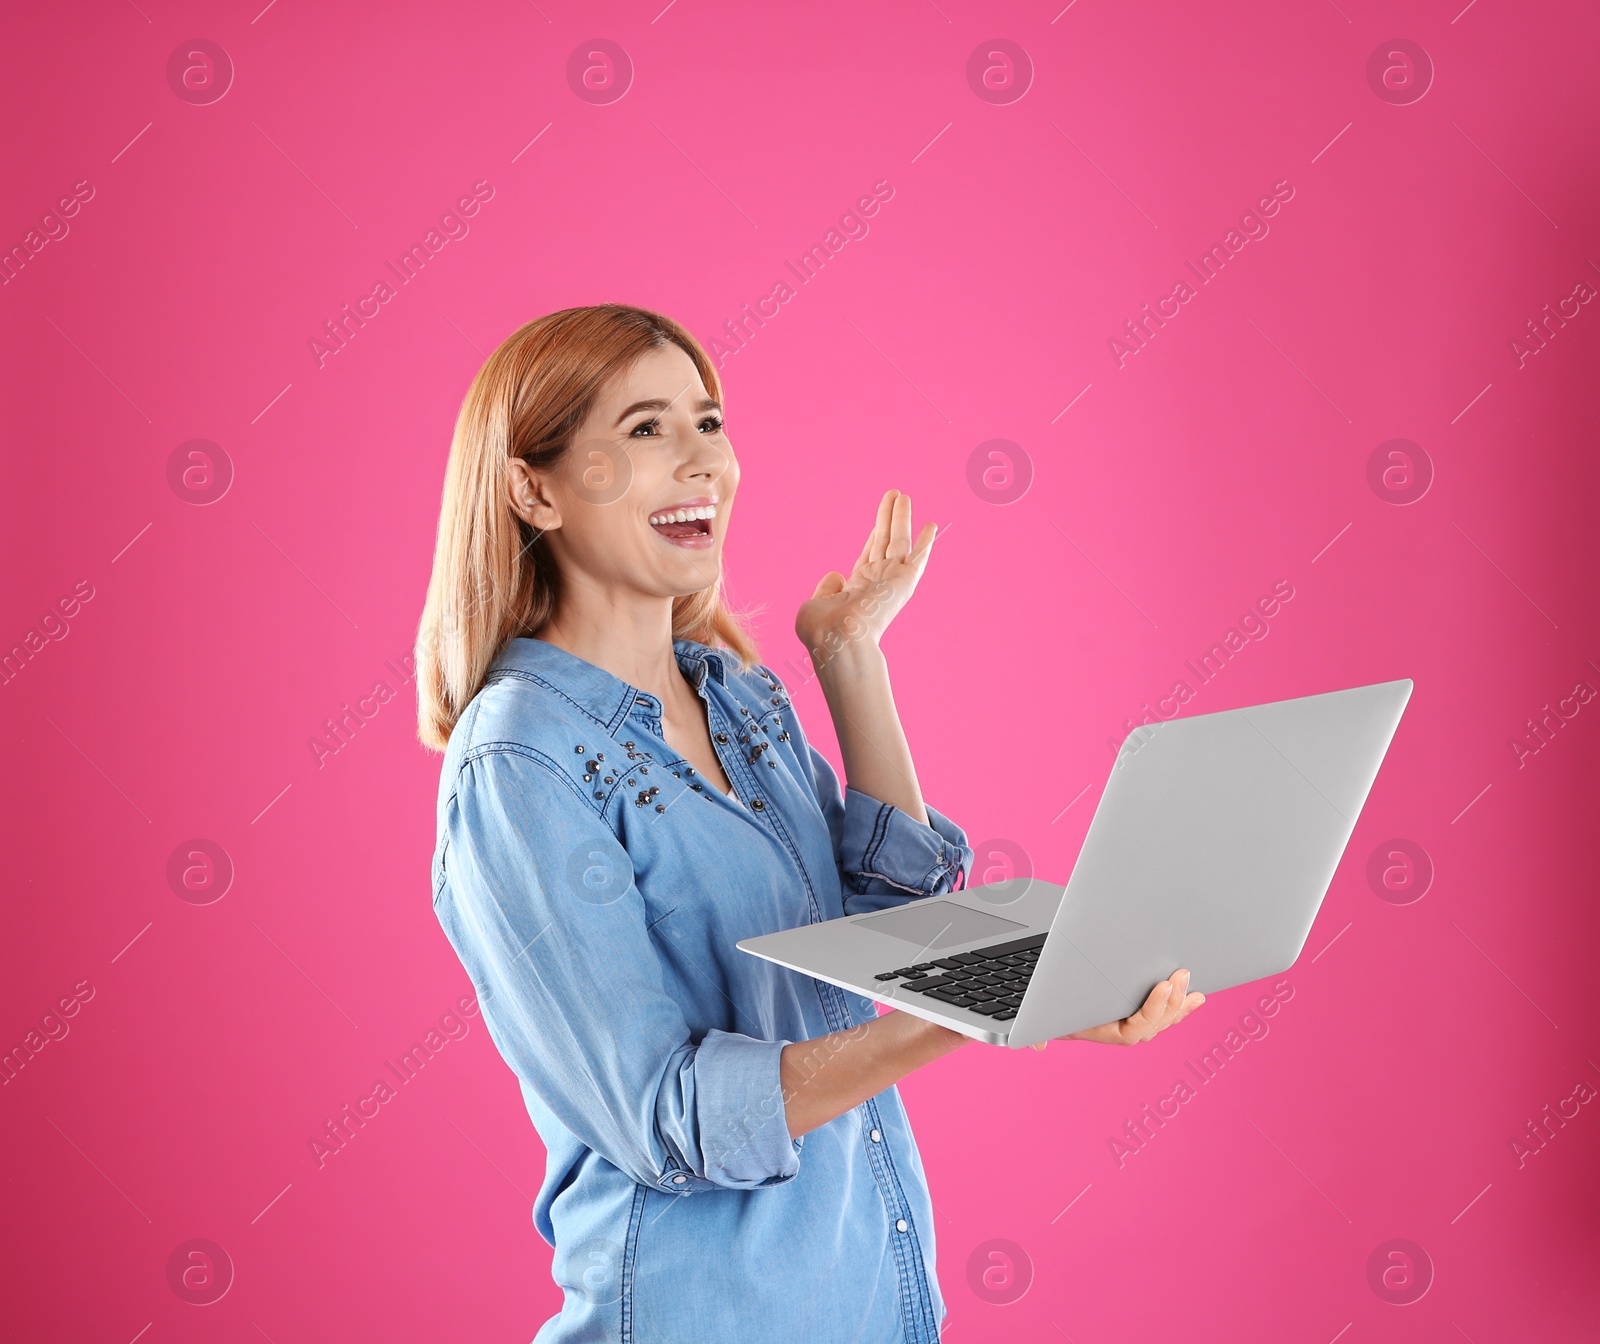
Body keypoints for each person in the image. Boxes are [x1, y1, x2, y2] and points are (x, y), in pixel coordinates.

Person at [415, 304, 1204, 1342]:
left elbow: (890, 927)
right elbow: (669, 1120)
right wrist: (975, 1011)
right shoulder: (519, 765)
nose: (702, 461)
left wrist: (849, 655)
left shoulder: (736, 696)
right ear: (535, 488)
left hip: (868, 1298)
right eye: (647, 429)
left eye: (709, 421)